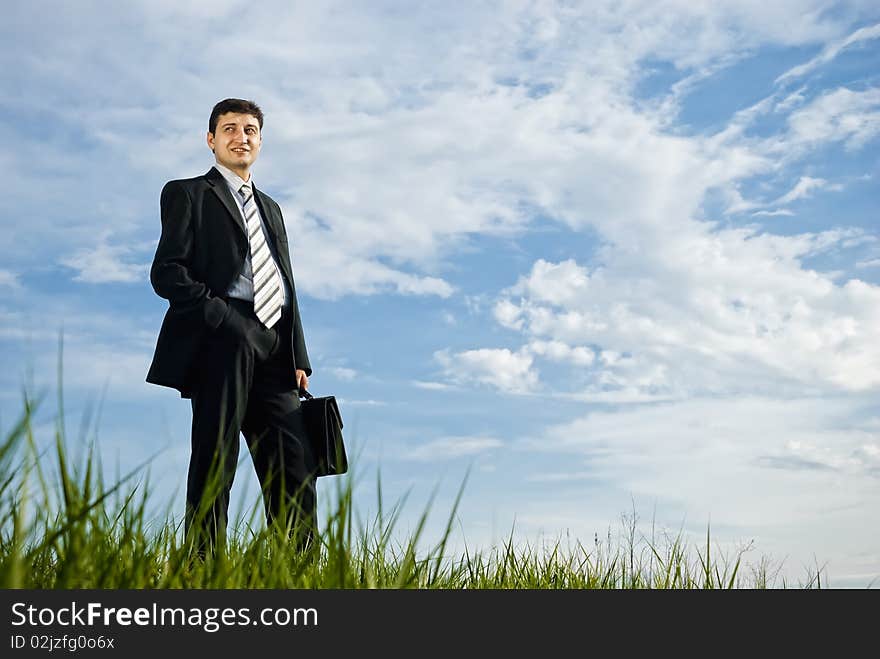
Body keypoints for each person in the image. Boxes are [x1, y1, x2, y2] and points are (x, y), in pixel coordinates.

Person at [146, 98, 317, 556]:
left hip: (275, 343)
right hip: (223, 336)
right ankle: (204, 568)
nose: (241, 137)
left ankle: (301, 575)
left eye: (250, 130)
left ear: (260, 141)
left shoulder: (272, 207)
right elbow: (167, 272)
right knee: (216, 457)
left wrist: (298, 356)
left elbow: (286, 281)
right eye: (230, 129)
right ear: (211, 139)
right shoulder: (187, 193)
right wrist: (222, 318)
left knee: (295, 460)